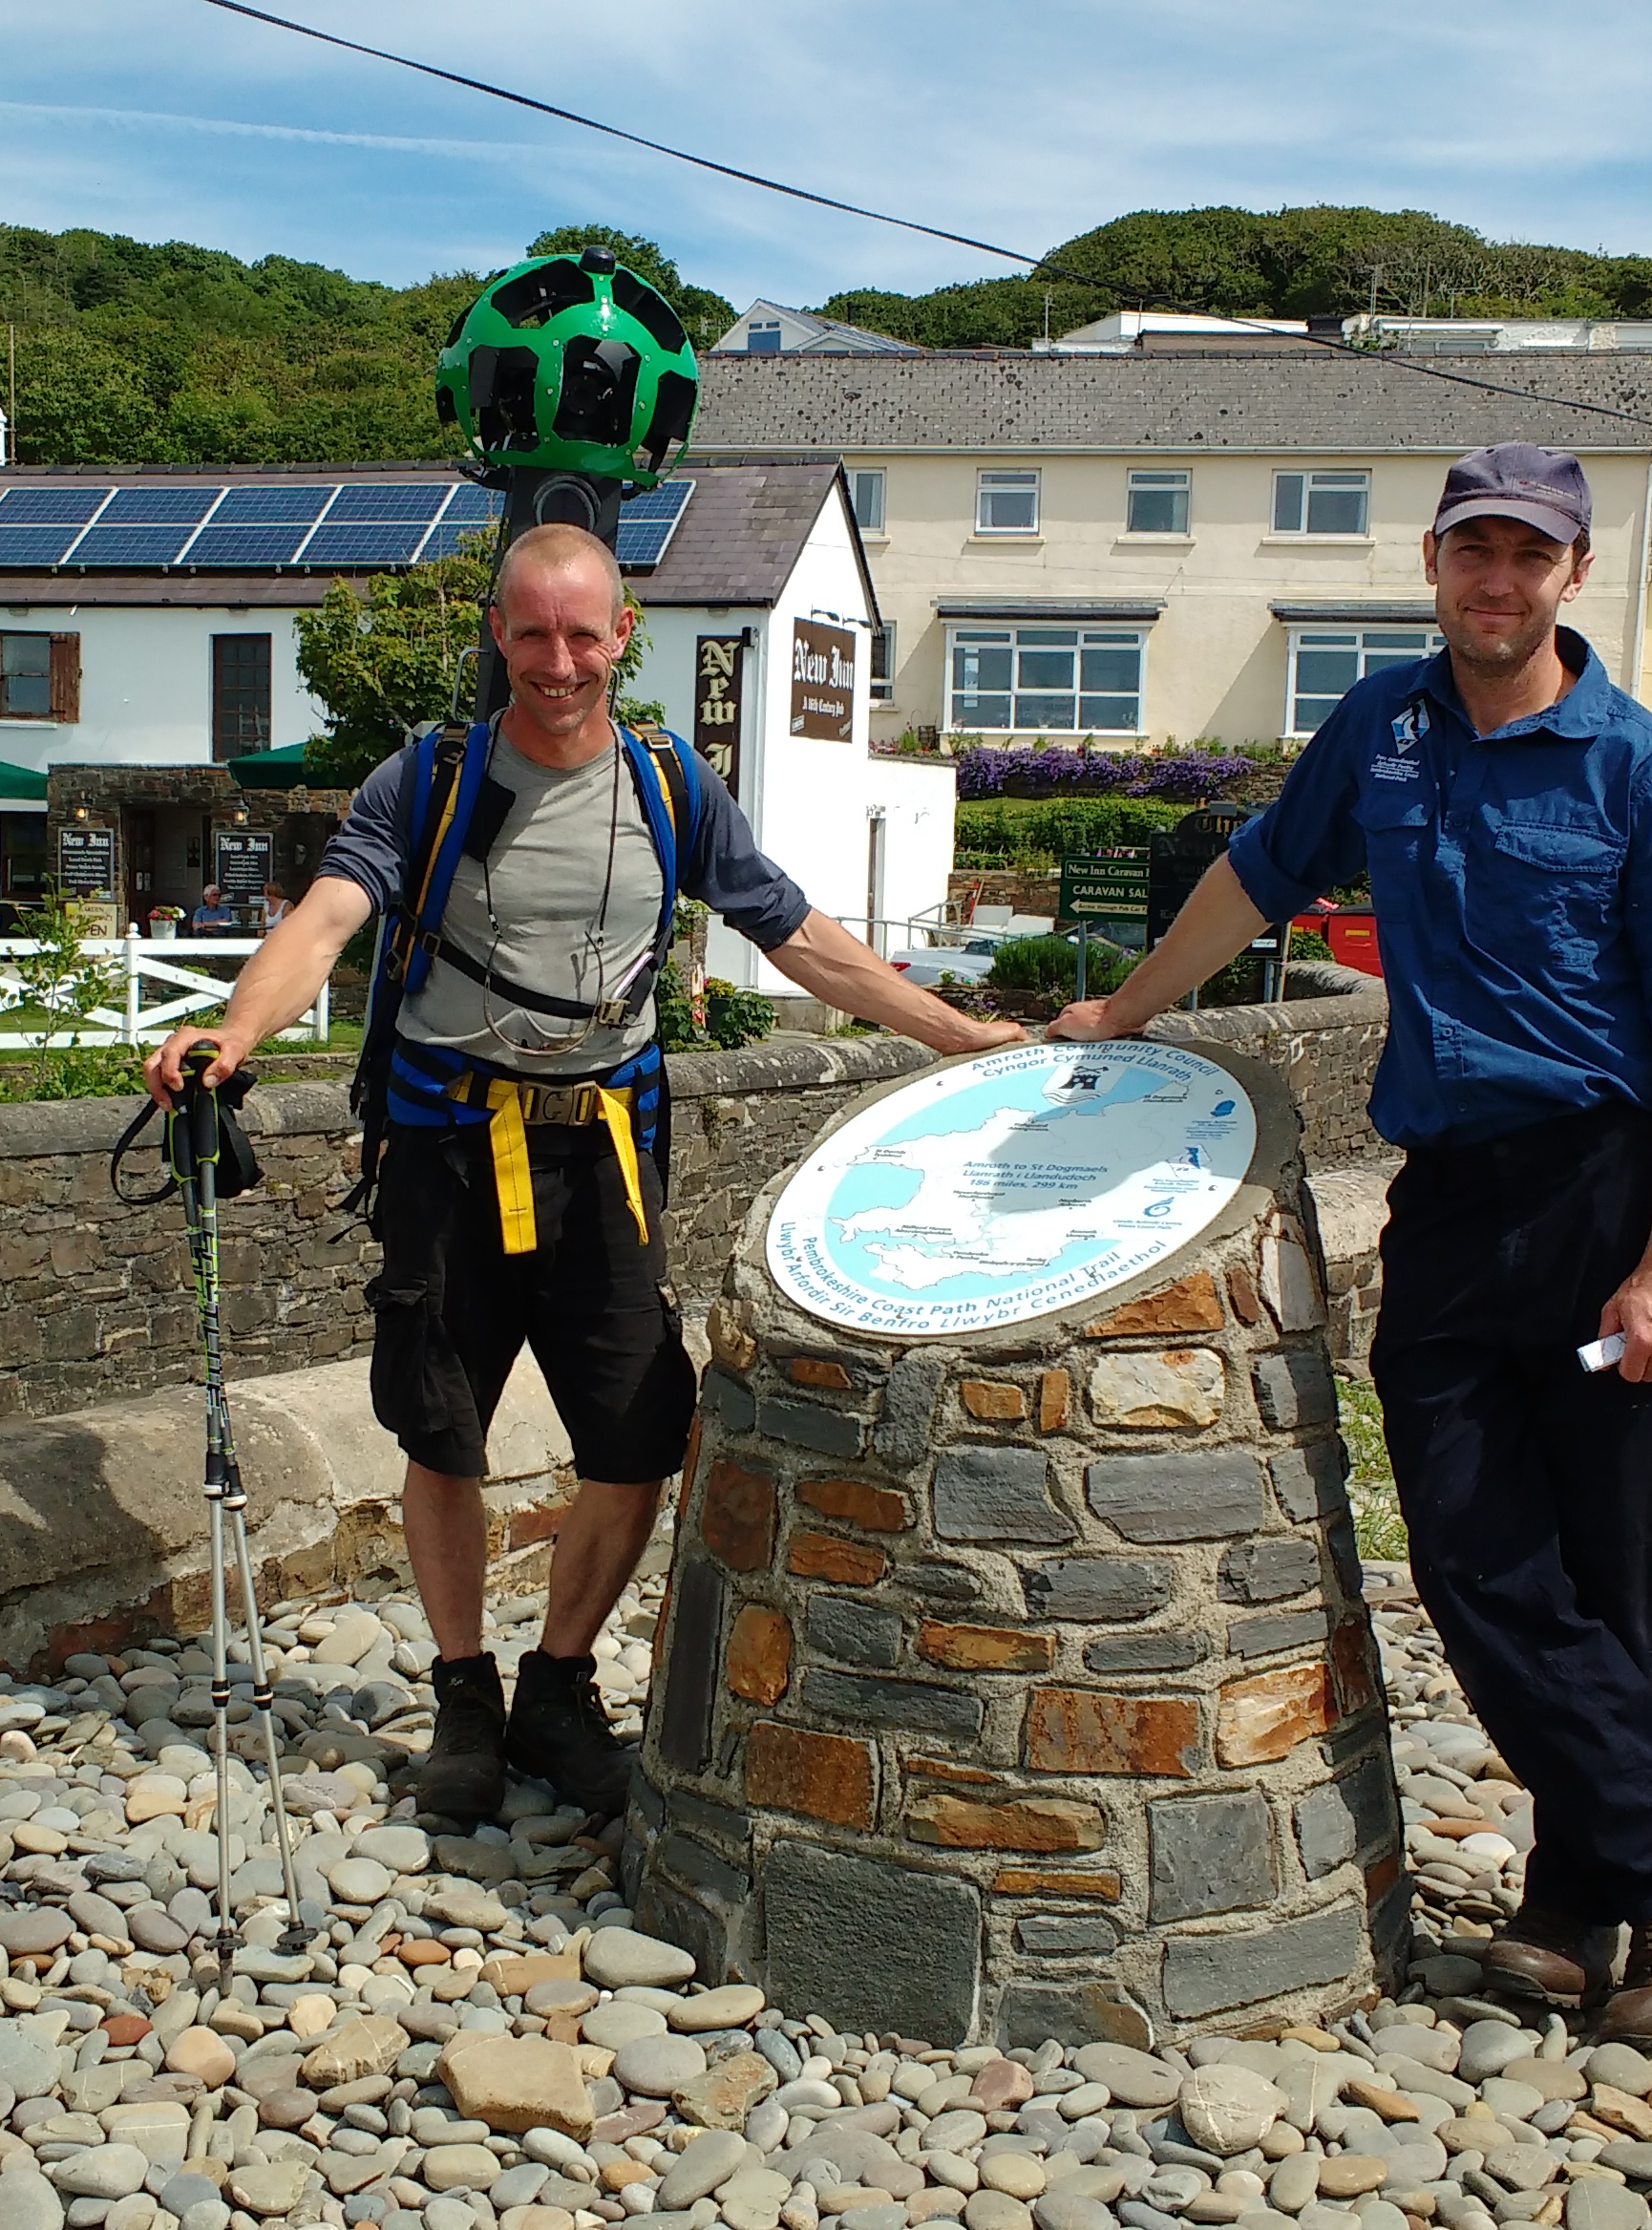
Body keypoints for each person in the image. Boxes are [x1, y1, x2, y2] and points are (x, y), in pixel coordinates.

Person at [1050, 443, 1652, 2045]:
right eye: (1472, 552)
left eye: (1528, 554)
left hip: (1608, 1201)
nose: (1496, 581)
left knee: (1618, 1571)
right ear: (1436, 564)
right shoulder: (1381, 725)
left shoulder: (1649, 777)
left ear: (1573, 572)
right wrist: (1123, 1013)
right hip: (1452, 1203)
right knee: (1466, 1550)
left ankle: (1598, 1899)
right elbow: (1258, 876)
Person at [147, 522, 1026, 1821]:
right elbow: (328, 917)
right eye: (531, 634)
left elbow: (798, 937)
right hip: (448, 1151)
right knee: (441, 1432)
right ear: (497, 639)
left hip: (606, 1156)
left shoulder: (673, 784)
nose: (558, 662)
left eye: (581, 634)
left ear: (624, 637)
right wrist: (235, 1029)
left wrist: (962, 1037)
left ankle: (557, 1684)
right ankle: (463, 1696)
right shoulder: (428, 778)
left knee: (638, 1436)